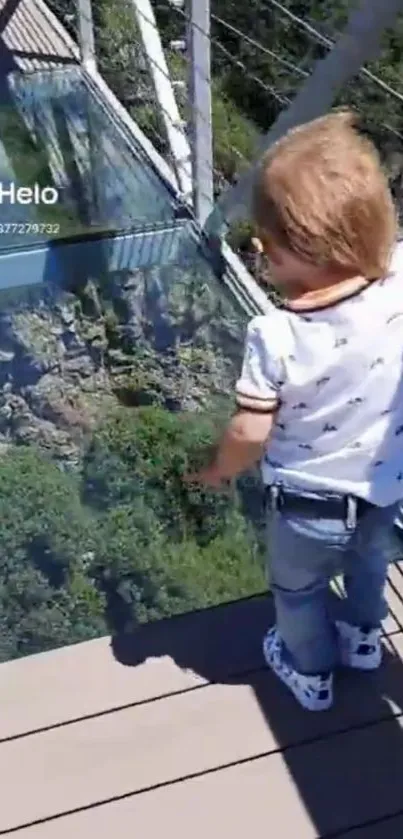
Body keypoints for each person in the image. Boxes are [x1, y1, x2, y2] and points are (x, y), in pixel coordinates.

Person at [185, 110, 403, 712]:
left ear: (269, 252)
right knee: (371, 563)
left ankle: (311, 674)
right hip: (385, 488)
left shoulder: (276, 333)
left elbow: (251, 429)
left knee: (297, 590)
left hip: (309, 506)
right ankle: (363, 643)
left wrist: (220, 470)